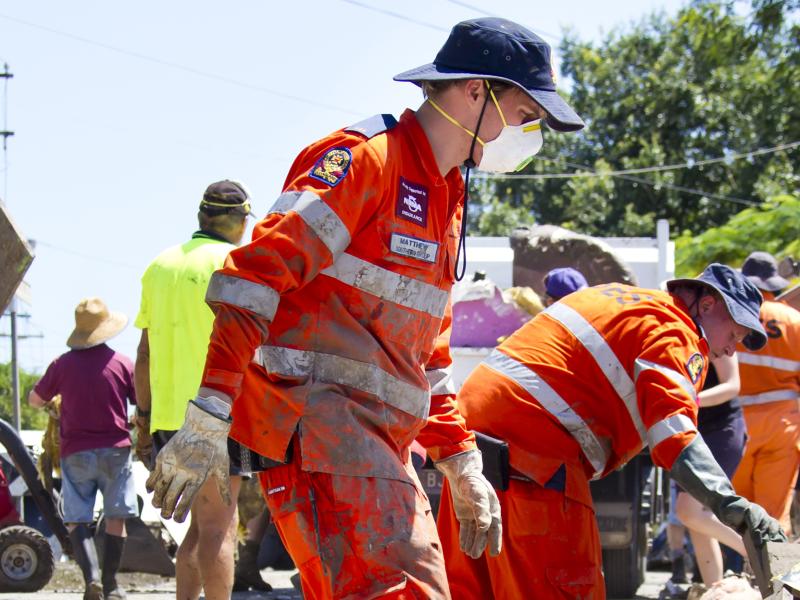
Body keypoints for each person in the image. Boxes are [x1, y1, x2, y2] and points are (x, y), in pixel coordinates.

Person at [146, 17, 585, 599]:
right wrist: (209, 413)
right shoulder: (366, 160)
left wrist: (461, 460)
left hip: (377, 445)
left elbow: (428, 352)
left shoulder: (447, 194)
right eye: (527, 116)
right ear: (477, 92)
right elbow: (253, 279)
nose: (530, 134)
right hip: (320, 431)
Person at [437, 264, 786, 599]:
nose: (730, 349)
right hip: (534, 453)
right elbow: (674, 434)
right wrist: (736, 509)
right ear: (707, 305)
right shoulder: (675, 331)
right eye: (733, 334)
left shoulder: (622, 299)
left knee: (468, 587)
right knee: (564, 585)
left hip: (468, 448)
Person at [132, 180, 257, 599]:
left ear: (202, 216)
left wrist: (144, 420)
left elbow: (145, 353)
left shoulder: (159, 265)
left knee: (197, 529)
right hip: (219, 415)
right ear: (239, 220)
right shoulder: (236, 260)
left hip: (169, 416)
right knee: (219, 529)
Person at [29, 297, 137, 600]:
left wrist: (54, 402)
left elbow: (34, 400)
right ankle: (111, 584)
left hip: (75, 452)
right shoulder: (122, 363)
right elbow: (141, 402)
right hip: (116, 450)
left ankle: (92, 581)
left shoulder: (62, 364)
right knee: (117, 516)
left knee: (77, 518)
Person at [732, 251, 800, 533]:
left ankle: (739, 571)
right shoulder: (793, 320)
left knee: (738, 511)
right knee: (773, 515)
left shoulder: (732, 316)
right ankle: (772, 576)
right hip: (783, 426)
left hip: (737, 425)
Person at [674, 353, 747, 586]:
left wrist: (691, 400)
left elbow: (732, 384)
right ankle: (713, 589)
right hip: (688, 431)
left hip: (721, 430)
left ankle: (755, 549)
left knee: (689, 511)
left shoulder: (718, 327)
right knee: (697, 523)